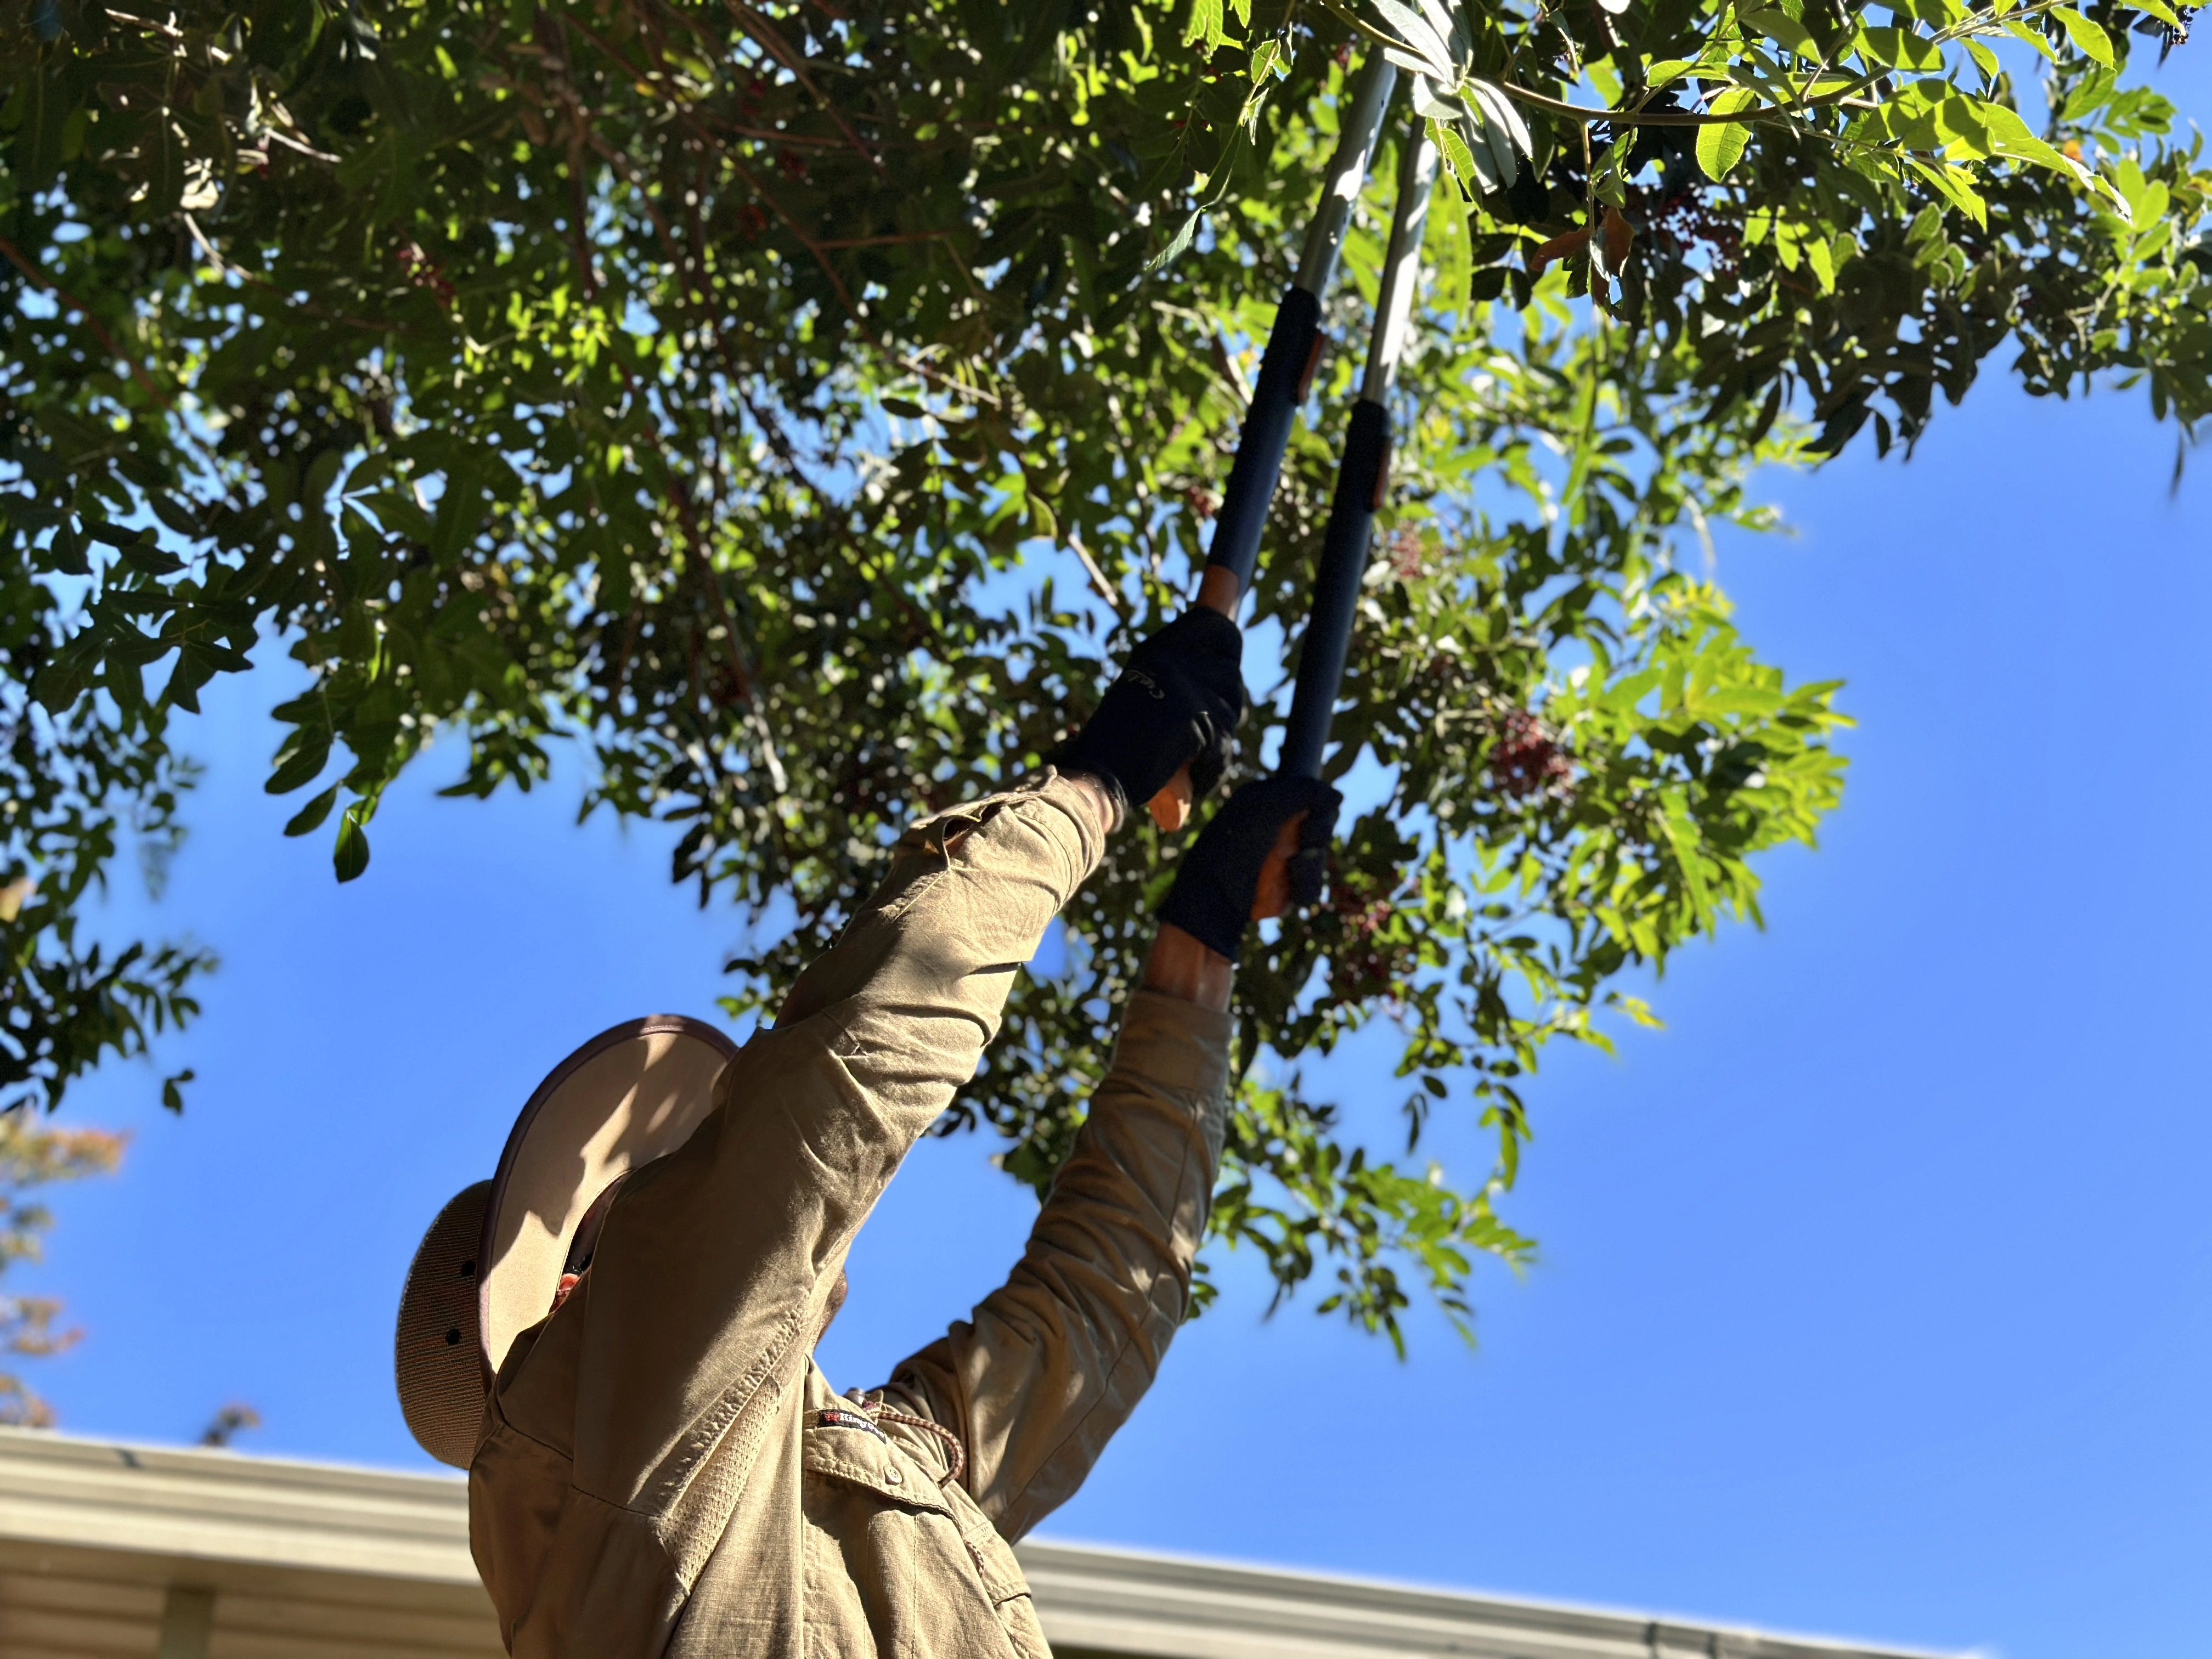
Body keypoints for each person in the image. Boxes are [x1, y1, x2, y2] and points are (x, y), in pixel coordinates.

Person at [432, 611, 1335, 1657]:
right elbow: (843, 1085)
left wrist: (1205, 931)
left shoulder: (824, 1497)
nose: (683, 1197)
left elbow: (1105, 1310)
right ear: (572, 1302)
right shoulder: (610, 1454)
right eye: (647, 1202)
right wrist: (1091, 792)